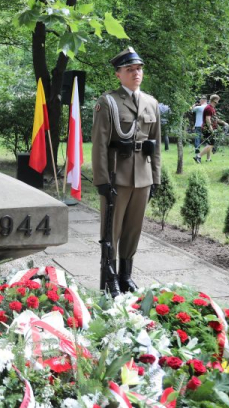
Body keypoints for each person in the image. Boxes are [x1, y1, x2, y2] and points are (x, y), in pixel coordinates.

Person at [92, 46, 161, 296]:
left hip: (142, 178)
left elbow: (155, 144)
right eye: (130, 69)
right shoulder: (108, 102)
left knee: (133, 229)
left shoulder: (151, 103)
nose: (136, 73)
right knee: (112, 230)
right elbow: (99, 144)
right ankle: (109, 278)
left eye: (139, 69)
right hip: (116, 177)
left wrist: (156, 178)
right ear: (118, 74)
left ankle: (126, 276)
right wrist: (101, 181)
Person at [195, 94, 228, 164]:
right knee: (211, 144)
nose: (218, 102)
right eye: (217, 101)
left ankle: (208, 159)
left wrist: (224, 123)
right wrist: (211, 129)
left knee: (209, 143)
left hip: (207, 128)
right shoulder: (209, 108)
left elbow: (215, 119)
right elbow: (208, 119)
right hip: (207, 128)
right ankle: (198, 156)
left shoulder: (212, 108)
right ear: (214, 100)